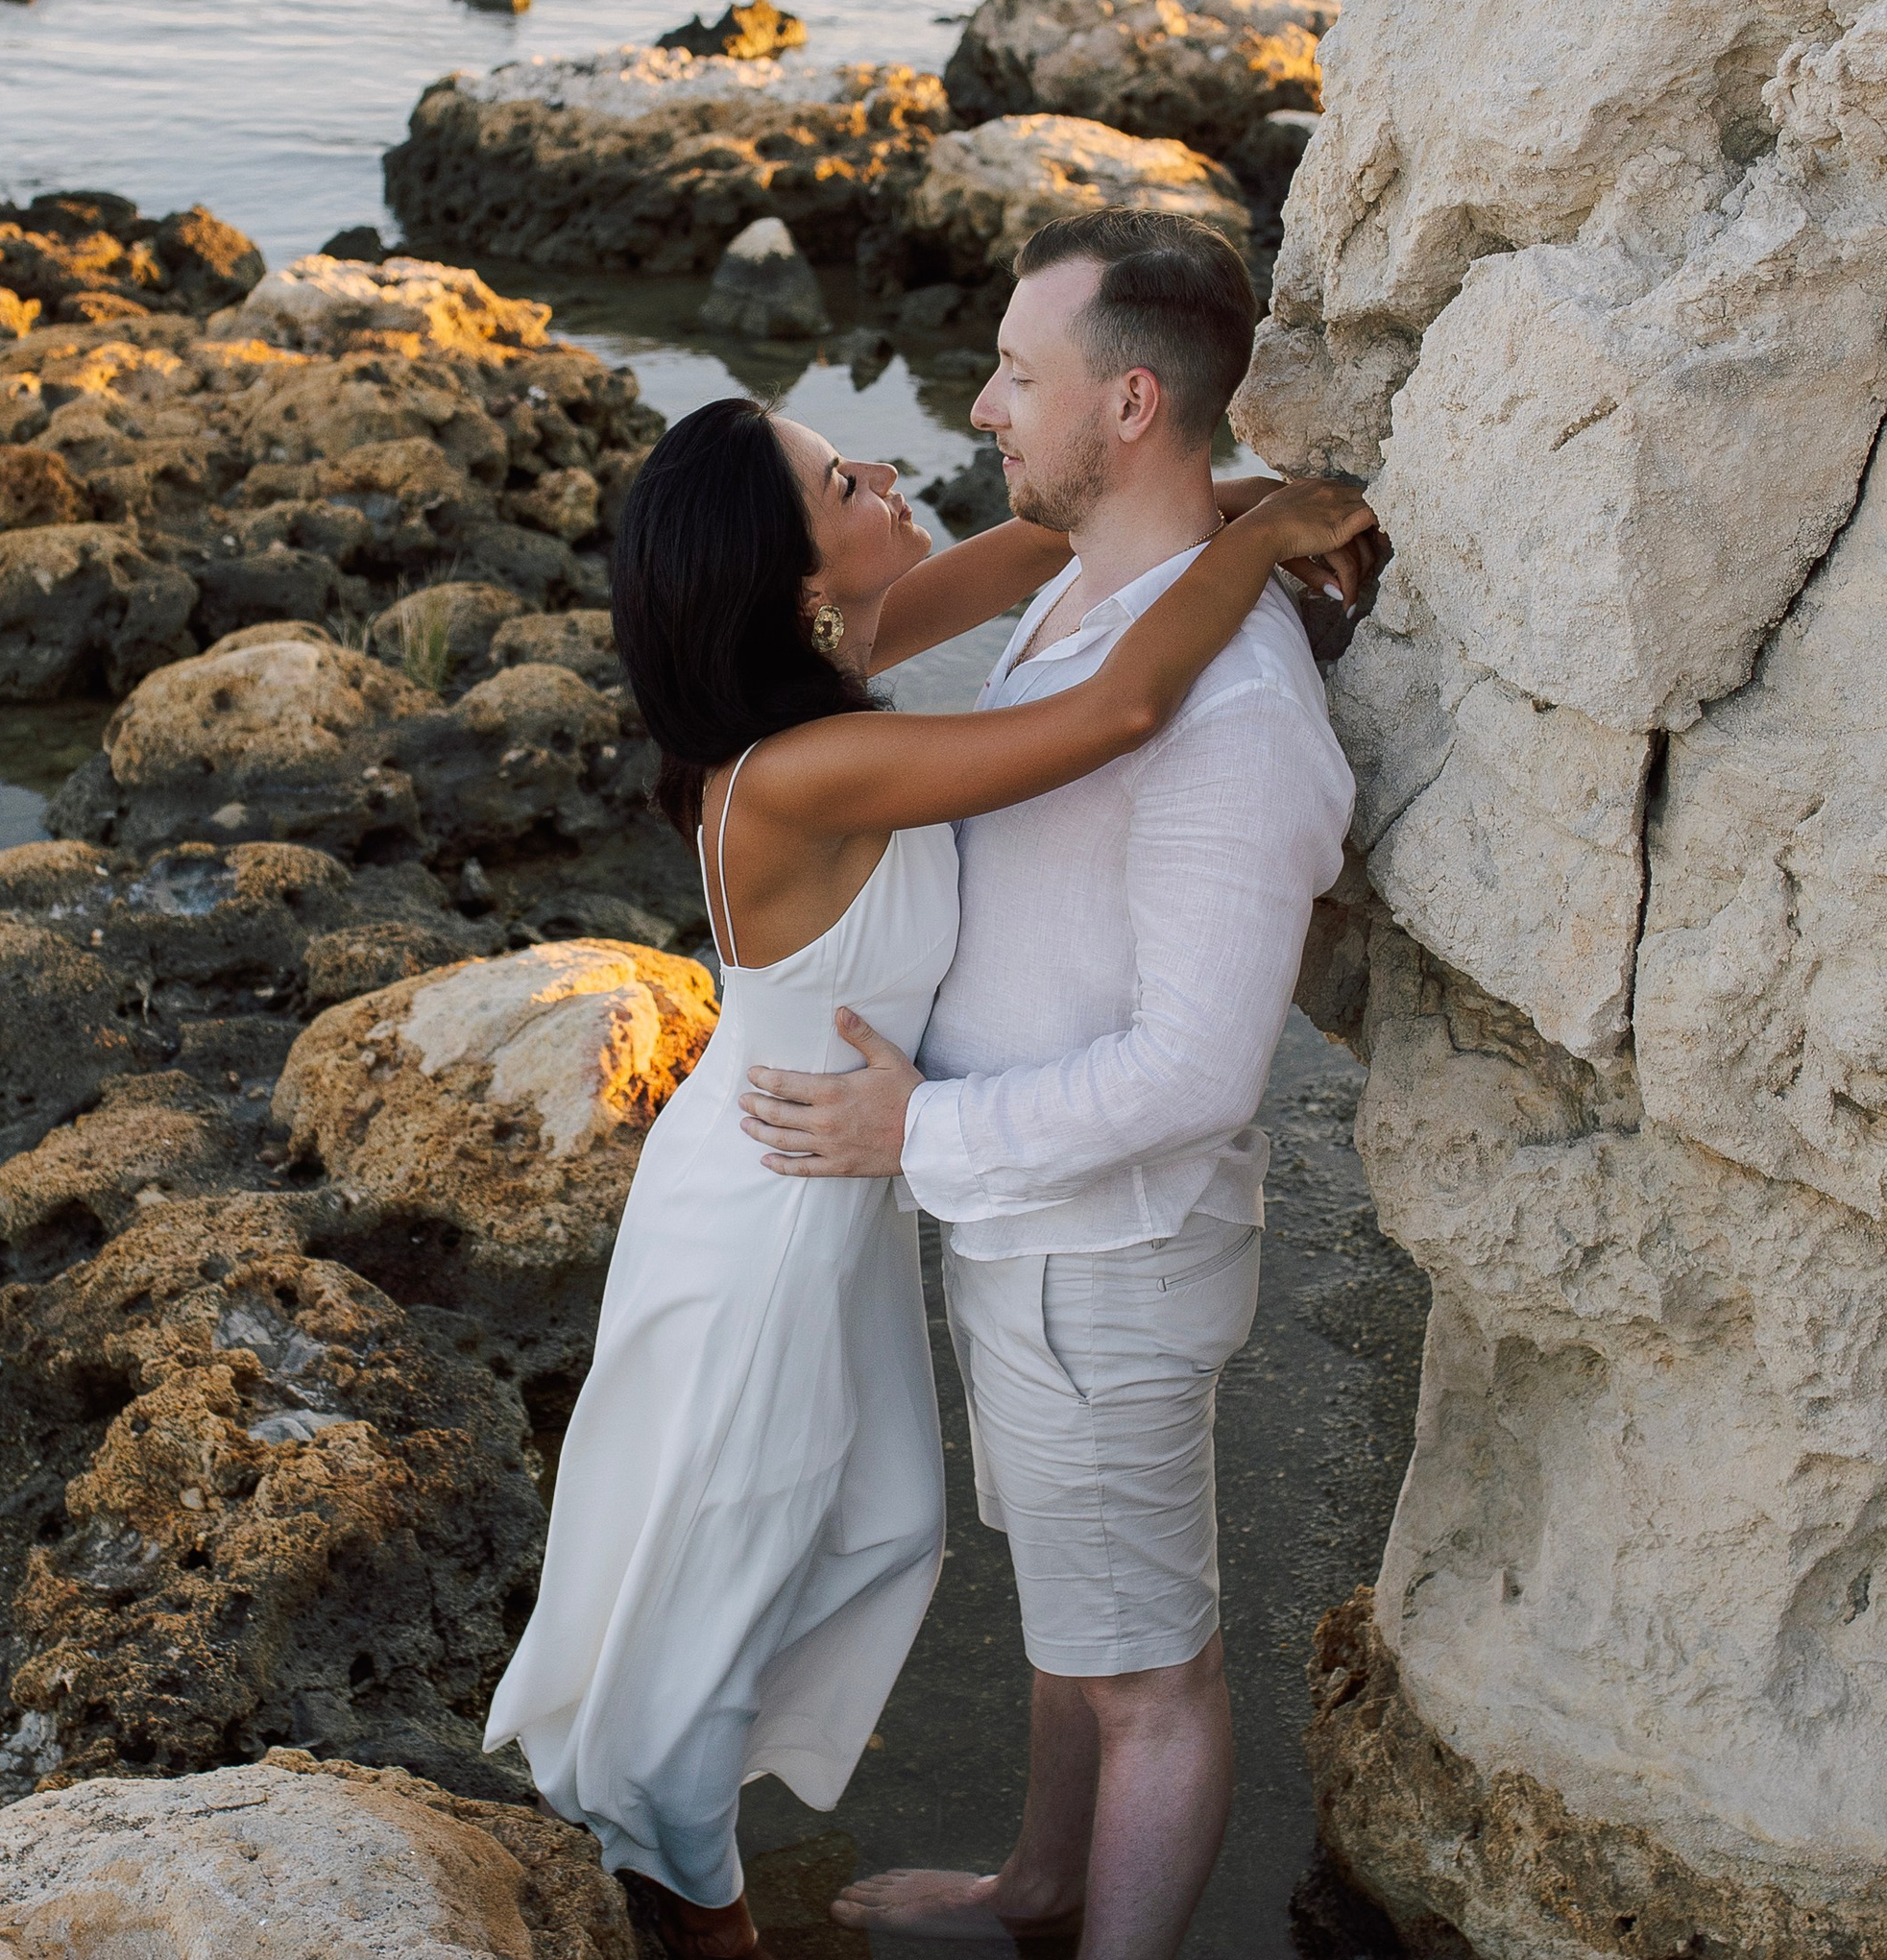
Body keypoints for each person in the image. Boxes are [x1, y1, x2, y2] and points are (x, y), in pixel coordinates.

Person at [482, 218, 1374, 1960]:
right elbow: (1119, 709)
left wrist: (1220, 484)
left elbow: (1064, 544)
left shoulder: (842, 663)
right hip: (778, 1203)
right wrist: (1264, 529)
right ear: (801, 575)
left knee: (857, 1532)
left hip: (856, 1186)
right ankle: (690, 1899)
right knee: (718, 1556)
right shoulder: (816, 754)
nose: (901, 452)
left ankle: (901, 1878)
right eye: (842, 477)